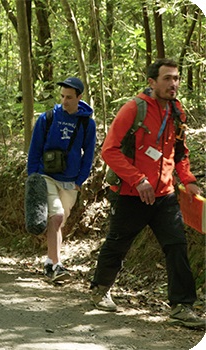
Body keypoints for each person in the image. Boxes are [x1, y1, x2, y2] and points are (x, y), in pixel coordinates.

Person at [90, 59, 205, 329]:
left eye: (176, 78)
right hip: (130, 193)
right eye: (167, 78)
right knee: (118, 243)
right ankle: (100, 288)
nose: (173, 84)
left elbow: (180, 153)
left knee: (176, 245)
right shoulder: (134, 109)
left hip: (164, 195)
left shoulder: (178, 112)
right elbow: (110, 150)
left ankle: (182, 306)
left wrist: (187, 180)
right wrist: (137, 179)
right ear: (152, 82)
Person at [26, 76, 96, 283]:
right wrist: (33, 179)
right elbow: (35, 149)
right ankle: (55, 265)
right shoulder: (47, 118)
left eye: (69, 97)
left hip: (70, 181)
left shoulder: (86, 123)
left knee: (59, 222)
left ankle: (50, 261)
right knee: (55, 217)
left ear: (79, 98)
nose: (64, 101)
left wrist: (80, 180)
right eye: (62, 97)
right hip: (46, 176)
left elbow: (89, 154)